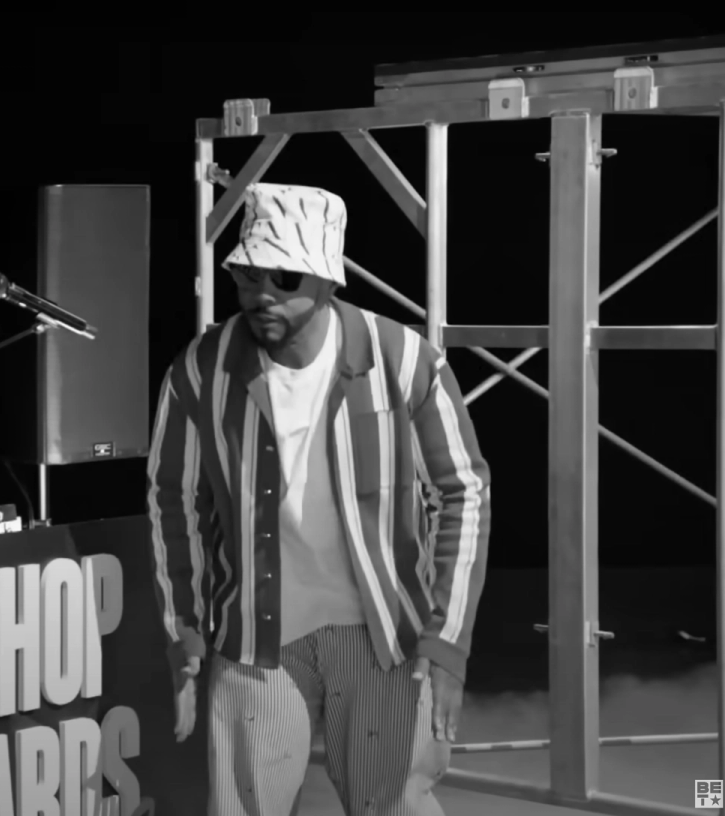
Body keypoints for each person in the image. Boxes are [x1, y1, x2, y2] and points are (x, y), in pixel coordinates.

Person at [148, 183, 491, 815]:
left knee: (395, 808)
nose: (261, 296)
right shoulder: (201, 368)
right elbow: (175, 502)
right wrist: (185, 631)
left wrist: (446, 640)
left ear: (328, 281)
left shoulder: (403, 360)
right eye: (247, 277)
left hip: (381, 637)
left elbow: (462, 494)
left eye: (283, 278)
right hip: (254, 637)